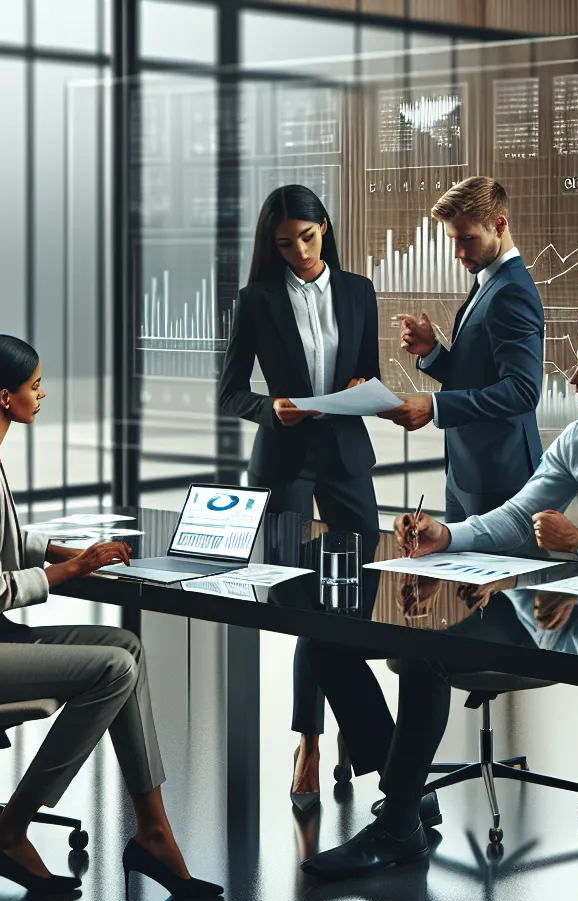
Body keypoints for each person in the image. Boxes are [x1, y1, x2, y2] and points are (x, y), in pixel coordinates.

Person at [297, 306, 578, 881]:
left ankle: (399, 819)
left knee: (429, 651)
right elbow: (518, 515)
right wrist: (447, 535)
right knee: (335, 641)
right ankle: (403, 799)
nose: (572, 379)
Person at [0, 334, 221, 900]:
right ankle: (11, 832)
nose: (42, 395)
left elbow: (0, 539)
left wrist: (64, 551)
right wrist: (74, 568)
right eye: (35, 386)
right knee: (113, 669)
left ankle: (153, 832)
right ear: (4, 396)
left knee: (126, 648)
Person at [218, 184, 377, 812]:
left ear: (325, 228)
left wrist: (364, 384)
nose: (300, 253)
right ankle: (310, 739)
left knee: (354, 595)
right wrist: (271, 408)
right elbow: (231, 392)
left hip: (346, 457)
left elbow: (367, 371)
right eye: (285, 244)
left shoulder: (359, 290)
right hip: (285, 460)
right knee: (297, 597)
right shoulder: (256, 299)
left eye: (307, 238)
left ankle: (340, 725)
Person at [378, 175, 543, 523]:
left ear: (499, 225)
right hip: (466, 473)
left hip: (499, 478)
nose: (459, 253)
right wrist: (432, 352)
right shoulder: (487, 279)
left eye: (468, 239)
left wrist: (435, 406)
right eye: (453, 240)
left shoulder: (511, 291)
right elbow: (480, 374)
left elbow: (523, 391)